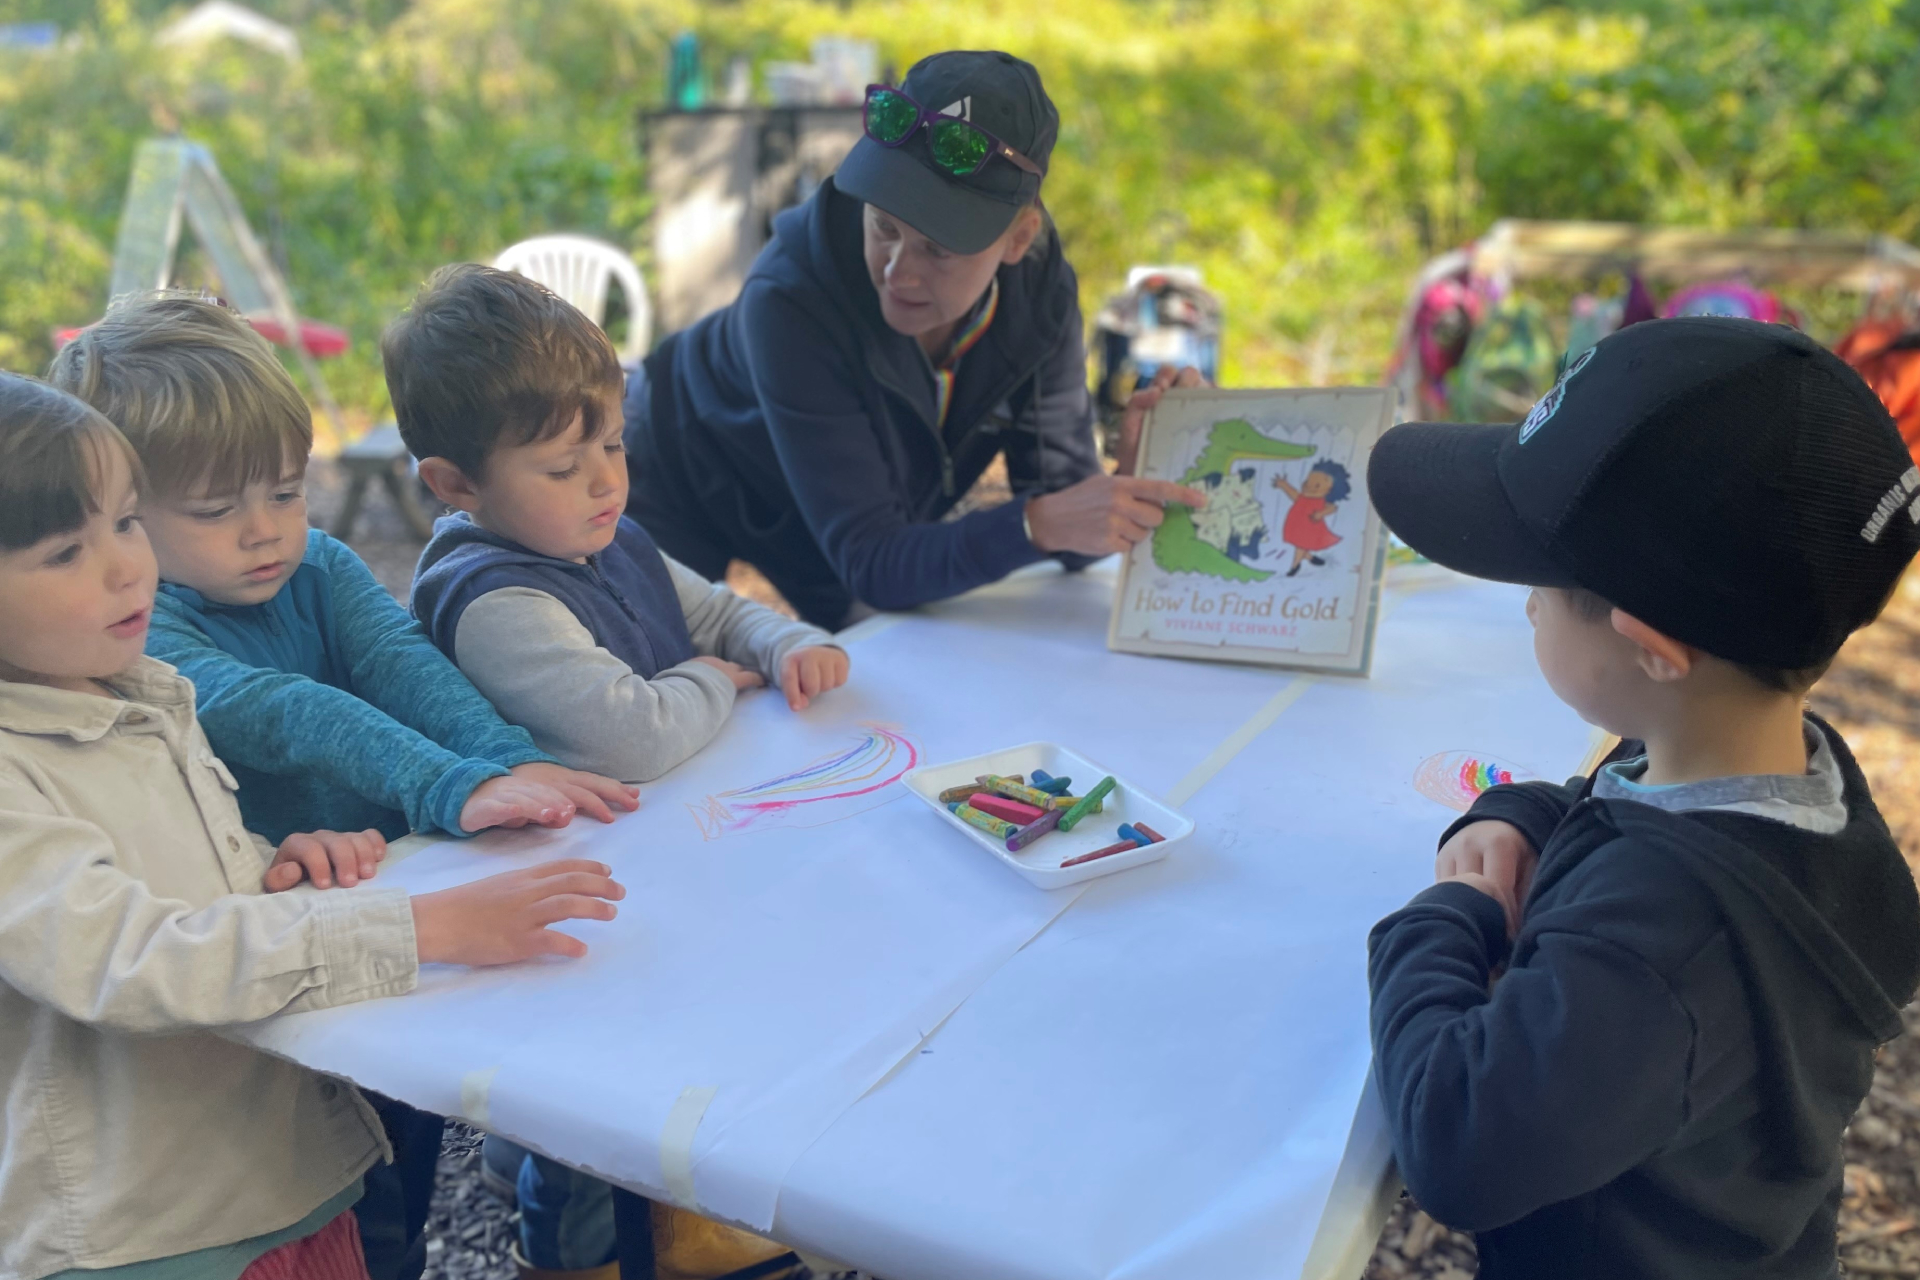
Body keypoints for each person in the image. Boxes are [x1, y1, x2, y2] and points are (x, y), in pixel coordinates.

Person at [47, 293, 639, 1280]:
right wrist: (454, 782)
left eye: (284, 490)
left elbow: (405, 664)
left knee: (404, 1147)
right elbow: (281, 709)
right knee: (343, 1183)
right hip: (276, 958)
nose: (264, 530)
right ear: (121, 510)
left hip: (386, 907)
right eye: (216, 508)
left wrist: (503, 761)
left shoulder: (318, 564)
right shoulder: (146, 629)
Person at [1362, 317, 1920, 1277]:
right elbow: (1616, 799)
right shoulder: (1787, 780)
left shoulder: (1659, 952)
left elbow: (1454, 1143)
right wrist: (1522, 815)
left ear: (1653, 648)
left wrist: (1443, 922)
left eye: (1536, 580)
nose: (1528, 604)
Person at [623, 49, 1206, 629]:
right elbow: (879, 562)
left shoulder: (1040, 297)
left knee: (872, 669)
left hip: (825, 508)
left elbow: (1067, 530)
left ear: (1018, 239)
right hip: (674, 461)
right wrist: (1035, 522)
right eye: (884, 227)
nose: (899, 272)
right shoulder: (790, 297)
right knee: (657, 673)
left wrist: (1130, 478)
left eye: (939, 248)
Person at [393, 264, 847, 785]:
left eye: (614, 443)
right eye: (563, 468)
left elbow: (716, 615)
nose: (608, 479)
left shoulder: (607, 536)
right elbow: (635, 740)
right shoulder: (495, 604)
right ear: (457, 485)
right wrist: (711, 677)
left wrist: (790, 646)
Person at [1272, 459, 1349, 575]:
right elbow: (1294, 494)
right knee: (1301, 544)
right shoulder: (1303, 497)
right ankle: (1309, 557)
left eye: (1317, 485)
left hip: (1311, 527)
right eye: (1308, 481)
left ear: (1330, 489)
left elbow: (1333, 508)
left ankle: (1295, 566)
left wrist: (1321, 513)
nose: (1309, 486)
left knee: (1301, 545)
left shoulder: (1321, 501)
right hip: (1298, 525)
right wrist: (1284, 485)